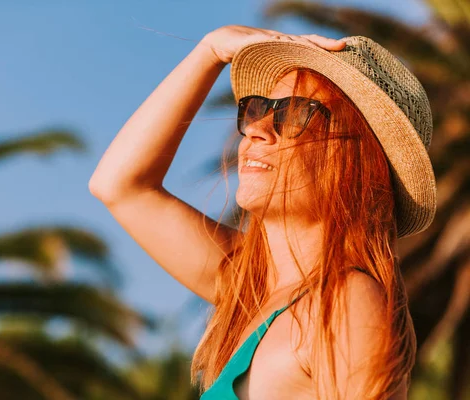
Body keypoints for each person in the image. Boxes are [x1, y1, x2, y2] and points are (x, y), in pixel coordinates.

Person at [89, 25, 436, 400]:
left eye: (294, 113)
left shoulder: (345, 303)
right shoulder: (250, 285)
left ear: (359, 158)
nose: (256, 129)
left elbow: (124, 188)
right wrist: (210, 50)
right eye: (258, 108)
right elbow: (119, 186)